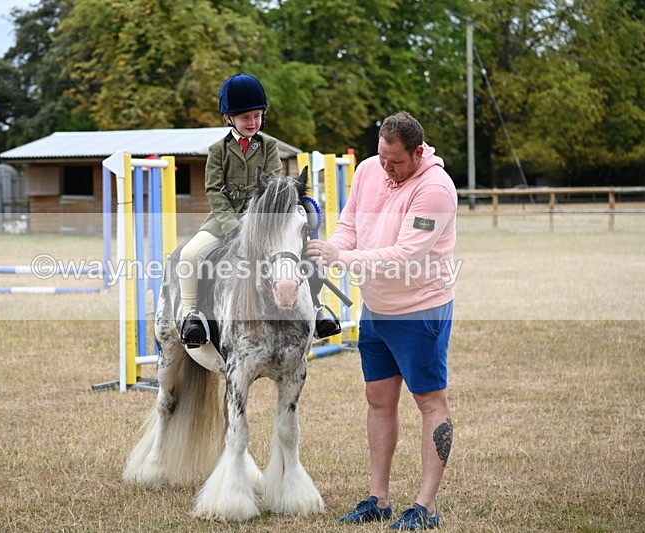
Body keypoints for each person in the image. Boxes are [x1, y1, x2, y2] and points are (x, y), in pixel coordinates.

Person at [306, 112, 457, 530]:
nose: (386, 168)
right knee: (378, 399)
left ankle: (425, 507)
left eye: (396, 161)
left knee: (429, 402)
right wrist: (329, 250)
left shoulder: (435, 190)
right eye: (382, 156)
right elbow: (350, 224)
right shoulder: (370, 170)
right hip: (376, 308)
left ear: (418, 152)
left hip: (419, 308)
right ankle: (379, 499)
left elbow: (406, 255)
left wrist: (345, 259)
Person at [179, 73, 340, 346]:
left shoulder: (269, 147)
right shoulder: (218, 150)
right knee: (190, 254)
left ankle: (316, 307)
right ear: (228, 118)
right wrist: (233, 227)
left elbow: (276, 188)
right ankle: (191, 316)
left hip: (266, 224)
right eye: (245, 118)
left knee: (305, 255)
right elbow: (214, 191)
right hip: (224, 222)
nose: (252, 122)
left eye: (257, 116)